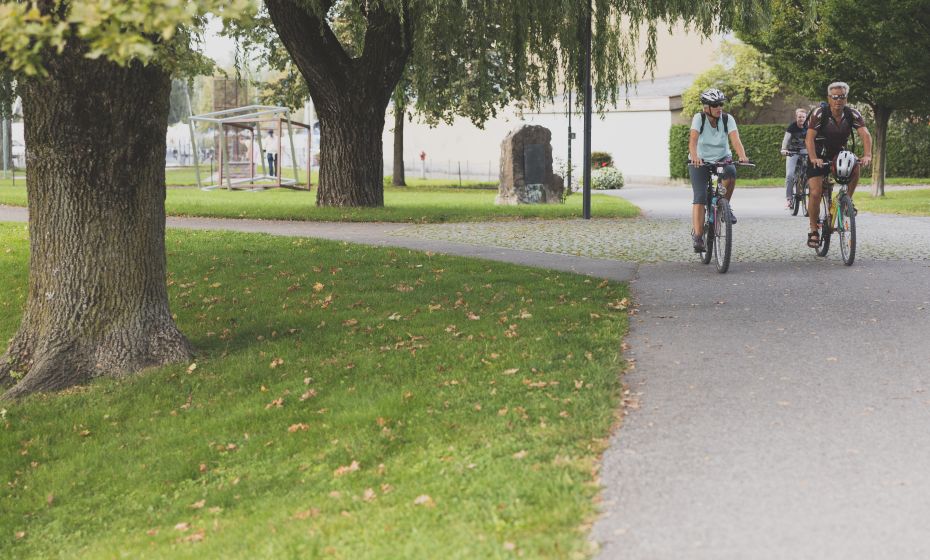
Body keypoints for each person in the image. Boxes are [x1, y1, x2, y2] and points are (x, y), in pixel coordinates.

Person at [804, 81, 872, 248]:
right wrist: (813, 158)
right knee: (815, 192)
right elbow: (809, 138)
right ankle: (813, 230)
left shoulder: (852, 114)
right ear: (829, 98)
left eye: (842, 97)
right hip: (818, 155)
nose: (838, 100)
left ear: (846, 99)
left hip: (838, 154)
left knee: (855, 166)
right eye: (835, 97)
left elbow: (865, 134)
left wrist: (867, 155)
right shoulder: (820, 113)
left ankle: (846, 200)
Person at [687, 88, 750, 252]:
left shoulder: (728, 119)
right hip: (700, 160)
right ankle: (699, 237)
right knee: (700, 196)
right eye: (715, 104)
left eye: (721, 104)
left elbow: (736, 140)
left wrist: (742, 155)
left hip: (722, 158)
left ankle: (724, 207)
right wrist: (694, 156)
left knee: (731, 173)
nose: (719, 107)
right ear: (706, 107)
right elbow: (693, 141)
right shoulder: (699, 118)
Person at [780, 108, 808, 208]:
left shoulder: (808, 126)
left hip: (805, 151)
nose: (801, 119)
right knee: (790, 175)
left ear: (806, 117)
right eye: (799, 117)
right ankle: (789, 199)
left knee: (811, 173)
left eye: (803, 117)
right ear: (796, 117)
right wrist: (784, 149)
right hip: (792, 152)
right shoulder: (792, 127)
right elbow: (786, 139)